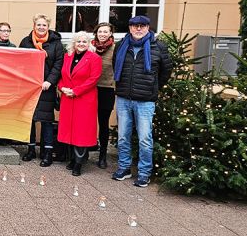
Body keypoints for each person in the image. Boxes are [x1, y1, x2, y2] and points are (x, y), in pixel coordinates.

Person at [111, 15, 172, 187]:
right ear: (130, 28)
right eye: (135, 26)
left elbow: (165, 72)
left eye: (142, 26)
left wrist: (153, 86)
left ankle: (144, 172)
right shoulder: (121, 46)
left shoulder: (158, 47)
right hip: (124, 97)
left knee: (145, 138)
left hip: (145, 101)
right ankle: (124, 168)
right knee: (123, 136)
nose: (139, 29)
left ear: (147, 27)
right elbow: (116, 66)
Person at [19, 14, 64, 166]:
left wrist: (49, 81)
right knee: (29, 120)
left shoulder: (56, 43)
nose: (41, 27)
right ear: (34, 25)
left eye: (44, 25)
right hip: (30, 87)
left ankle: (47, 153)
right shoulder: (26, 42)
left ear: (48, 26)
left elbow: (58, 64)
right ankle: (31, 149)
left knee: (46, 121)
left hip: (47, 88)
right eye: (38, 25)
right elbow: (20, 63)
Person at [58, 31, 102, 177]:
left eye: (84, 41)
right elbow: (62, 75)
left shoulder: (94, 58)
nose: (81, 44)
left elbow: (93, 79)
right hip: (68, 98)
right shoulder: (67, 56)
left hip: (84, 99)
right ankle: (72, 158)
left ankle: (79, 162)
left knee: (81, 131)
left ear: (89, 43)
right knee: (70, 129)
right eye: (78, 41)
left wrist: (76, 91)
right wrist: (62, 87)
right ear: (74, 43)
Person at [91, 22, 116, 168]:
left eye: (106, 32)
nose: (103, 34)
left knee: (103, 123)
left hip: (106, 88)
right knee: (88, 121)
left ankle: (102, 156)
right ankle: (85, 150)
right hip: (90, 88)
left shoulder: (115, 48)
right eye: (100, 32)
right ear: (96, 33)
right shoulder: (91, 47)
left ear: (110, 33)